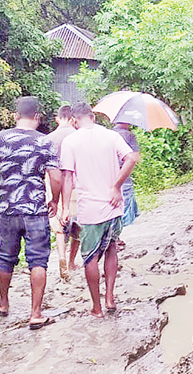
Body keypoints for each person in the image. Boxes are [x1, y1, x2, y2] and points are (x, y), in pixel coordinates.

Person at [0, 96, 61, 330]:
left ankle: (3, 304)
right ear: (37, 116)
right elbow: (56, 177)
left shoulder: (0, 138)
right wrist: (53, 199)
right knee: (38, 260)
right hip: (35, 209)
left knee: (6, 258)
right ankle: (35, 314)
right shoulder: (45, 142)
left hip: (8, 209)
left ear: (16, 115)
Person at [59, 103, 139, 318]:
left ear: (74, 120)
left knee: (89, 257)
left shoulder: (71, 141)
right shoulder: (111, 136)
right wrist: (116, 186)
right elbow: (131, 158)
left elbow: (67, 176)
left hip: (90, 208)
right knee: (111, 247)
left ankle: (97, 307)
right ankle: (110, 298)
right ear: (92, 117)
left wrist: (65, 207)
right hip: (113, 205)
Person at [45, 105, 80, 279]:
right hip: (76, 184)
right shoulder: (79, 137)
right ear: (73, 119)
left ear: (58, 118)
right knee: (78, 225)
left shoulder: (49, 138)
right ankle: (73, 261)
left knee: (60, 227)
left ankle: (62, 258)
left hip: (54, 185)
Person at [112, 122, 140, 230]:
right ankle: (126, 223)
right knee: (126, 194)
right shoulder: (129, 135)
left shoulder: (110, 133)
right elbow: (135, 157)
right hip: (124, 170)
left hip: (111, 170)